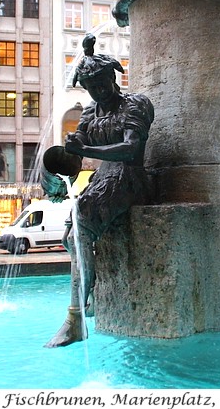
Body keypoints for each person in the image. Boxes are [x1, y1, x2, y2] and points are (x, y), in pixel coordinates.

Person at [44, 33, 155, 347]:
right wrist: (68, 155)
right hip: (104, 178)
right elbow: (78, 152)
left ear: (113, 78)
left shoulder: (136, 104)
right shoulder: (91, 112)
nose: (97, 91)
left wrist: (91, 149)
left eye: (102, 84)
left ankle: (75, 317)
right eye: (91, 87)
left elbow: (131, 149)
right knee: (69, 237)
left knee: (80, 226)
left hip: (130, 179)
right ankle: (88, 291)